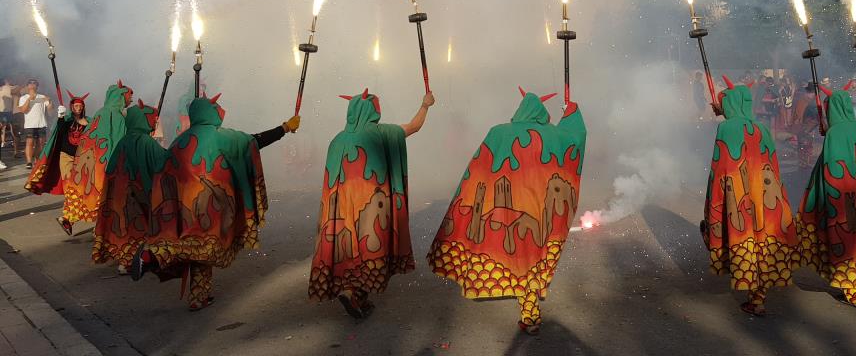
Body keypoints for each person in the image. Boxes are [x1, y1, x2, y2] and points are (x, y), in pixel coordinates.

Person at [427, 88, 585, 335]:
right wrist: (571, 111)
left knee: (514, 253)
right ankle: (529, 313)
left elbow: (478, 169)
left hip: (507, 210)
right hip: (539, 210)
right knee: (533, 256)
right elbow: (576, 137)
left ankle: (527, 310)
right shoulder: (555, 135)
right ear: (542, 113)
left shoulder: (498, 132)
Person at [131, 94, 300, 311]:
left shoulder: (179, 141)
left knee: (197, 247)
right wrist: (284, 128)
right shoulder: (222, 137)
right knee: (205, 246)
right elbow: (254, 141)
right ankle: (151, 255)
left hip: (181, 206)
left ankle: (198, 297)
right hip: (210, 206)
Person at [308, 90, 434, 318]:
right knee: (370, 246)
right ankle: (357, 293)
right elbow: (414, 126)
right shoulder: (382, 132)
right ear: (373, 110)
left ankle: (348, 288)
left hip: (339, 207)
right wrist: (425, 105)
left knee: (346, 245)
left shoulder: (336, 140)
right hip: (370, 202)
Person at [701, 77, 798, 316]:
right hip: (766, 195)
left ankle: (753, 293)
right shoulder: (762, 128)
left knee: (743, 239)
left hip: (739, 196)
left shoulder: (726, 128)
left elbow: (721, 166)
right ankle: (758, 297)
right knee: (762, 239)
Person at [798, 85, 856, 308]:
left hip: (840, 198)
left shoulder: (834, 133)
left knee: (844, 238)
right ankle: (853, 284)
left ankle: (854, 291)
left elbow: (830, 167)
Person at [93, 101, 167, 271]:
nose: (154, 123)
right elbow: (165, 162)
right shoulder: (145, 141)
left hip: (120, 193)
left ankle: (125, 262)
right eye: (152, 119)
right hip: (138, 192)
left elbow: (111, 168)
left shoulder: (124, 141)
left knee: (126, 228)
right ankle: (138, 260)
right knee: (140, 226)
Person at [58, 81, 133, 235]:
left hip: (87, 161)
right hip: (104, 163)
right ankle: (100, 227)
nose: (130, 100)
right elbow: (119, 142)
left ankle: (68, 218)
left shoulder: (100, 112)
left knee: (85, 191)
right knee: (105, 195)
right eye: (128, 97)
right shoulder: (117, 117)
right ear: (120, 98)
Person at [25, 92, 89, 198]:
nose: (79, 108)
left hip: (81, 157)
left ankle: (77, 207)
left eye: (81, 106)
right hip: (66, 155)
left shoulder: (88, 122)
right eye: (76, 106)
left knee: (80, 182)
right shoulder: (67, 120)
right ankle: (70, 208)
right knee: (68, 182)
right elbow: (60, 130)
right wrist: (60, 117)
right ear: (72, 107)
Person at [17, 79, 52, 168]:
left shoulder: (42, 96)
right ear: (27, 86)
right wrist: (30, 99)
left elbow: (50, 110)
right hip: (30, 125)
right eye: (30, 84)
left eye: (34, 84)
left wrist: (50, 102)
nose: (32, 85)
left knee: (40, 143)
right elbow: (23, 110)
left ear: (37, 86)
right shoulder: (23, 97)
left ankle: (37, 161)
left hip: (41, 123)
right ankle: (29, 162)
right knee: (30, 142)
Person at [0, 78, 17, 167]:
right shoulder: (7, 88)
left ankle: (3, 143)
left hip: (4, 112)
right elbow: (17, 89)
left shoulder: (6, 88)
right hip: (5, 112)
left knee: (2, 130)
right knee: (9, 130)